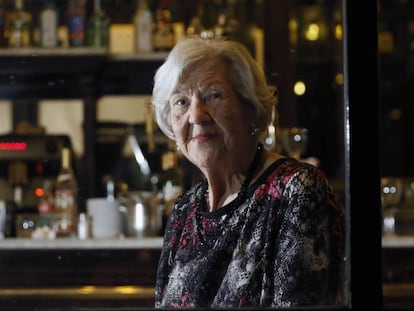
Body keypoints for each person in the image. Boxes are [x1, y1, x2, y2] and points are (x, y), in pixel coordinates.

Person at [151, 35, 345, 309]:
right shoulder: (185, 210)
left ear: (251, 109)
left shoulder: (296, 190)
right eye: (181, 101)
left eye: (214, 95)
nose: (196, 115)